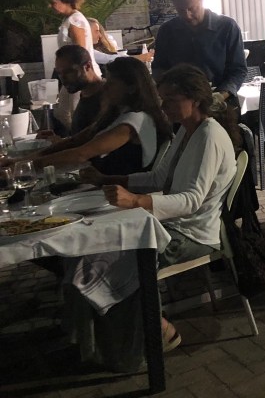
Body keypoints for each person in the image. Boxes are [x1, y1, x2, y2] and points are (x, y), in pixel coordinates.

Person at [76, 64, 240, 362]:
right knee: (101, 250)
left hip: (193, 234)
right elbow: (158, 178)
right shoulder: (187, 130)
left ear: (195, 99)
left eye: (171, 100)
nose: (163, 107)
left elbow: (191, 200)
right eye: (163, 99)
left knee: (115, 260)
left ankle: (148, 336)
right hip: (173, 223)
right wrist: (107, 179)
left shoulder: (209, 136)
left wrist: (136, 201)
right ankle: (113, 338)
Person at [28, 57, 173, 175]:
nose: (106, 86)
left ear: (131, 88)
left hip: (122, 191)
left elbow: (81, 154)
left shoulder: (135, 120)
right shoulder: (118, 113)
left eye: (112, 83)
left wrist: (27, 166)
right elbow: (74, 141)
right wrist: (27, 159)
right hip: (102, 182)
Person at [152, 0, 246, 103]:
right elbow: (159, 68)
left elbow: (238, 70)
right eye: (180, 10)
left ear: (201, 0)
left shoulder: (227, 27)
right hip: (181, 104)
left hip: (222, 102)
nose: (187, 15)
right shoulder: (167, 31)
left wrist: (221, 95)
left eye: (192, 9)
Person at [38, 45, 104, 140]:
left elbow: (100, 142)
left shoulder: (108, 96)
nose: (63, 79)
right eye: (59, 73)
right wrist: (57, 140)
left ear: (87, 66)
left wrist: (61, 143)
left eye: (69, 72)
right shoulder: (85, 94)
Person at [48, 0, 101, 78]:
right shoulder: (69, 19)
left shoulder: (75, 21)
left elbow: (80, 54)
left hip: (81, 75)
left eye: (53, 3)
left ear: (66, 1)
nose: (50, 6)